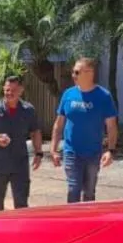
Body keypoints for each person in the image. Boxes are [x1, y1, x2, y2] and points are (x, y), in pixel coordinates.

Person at [49, 57, 118, 203]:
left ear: (89, 73)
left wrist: (111, 150)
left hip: (93, 153)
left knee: (89, 192)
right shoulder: (68, 94)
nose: (73, 75)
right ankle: (72, 224)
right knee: (73, 189)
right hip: (71, 152)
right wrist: (53, 150)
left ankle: (88, 224)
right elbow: (58, 124)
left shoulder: (103, 96)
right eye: (73, 72)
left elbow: (111, 126)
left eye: (76, 72)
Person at [0, 74, 44, 211]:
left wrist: (39, 153)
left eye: (13, 90)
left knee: (22, 204)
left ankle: (21, 231)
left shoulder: (28, 110)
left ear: (21, 90)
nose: (9, 93)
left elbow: (35, 132)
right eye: (7, 90)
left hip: (20, 164)